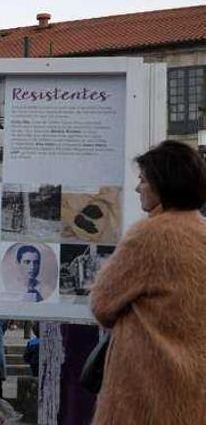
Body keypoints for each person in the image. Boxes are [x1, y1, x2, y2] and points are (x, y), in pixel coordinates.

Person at [90, 140, 206, 425]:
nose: (137, 187)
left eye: (143, 179)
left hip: (143, 391)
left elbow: (102, 304)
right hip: (192, 392)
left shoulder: (149, 236)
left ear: (161, 184)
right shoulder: (202, 232)